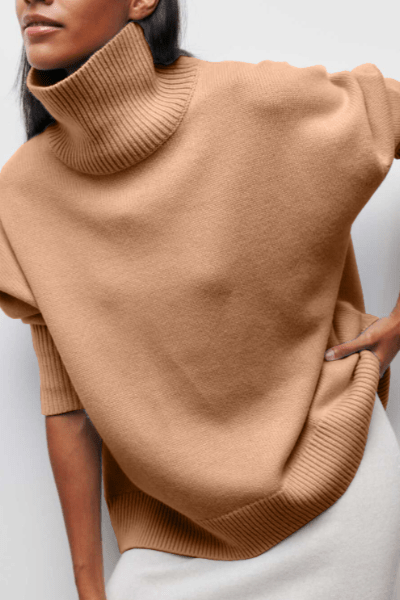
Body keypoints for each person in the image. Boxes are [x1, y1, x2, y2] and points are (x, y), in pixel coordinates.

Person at [2, 0, 400, 598]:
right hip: (168, 538)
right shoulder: (22, 194)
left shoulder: (253, 103)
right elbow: (69, 404)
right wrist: (89, 587)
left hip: (334, 499)